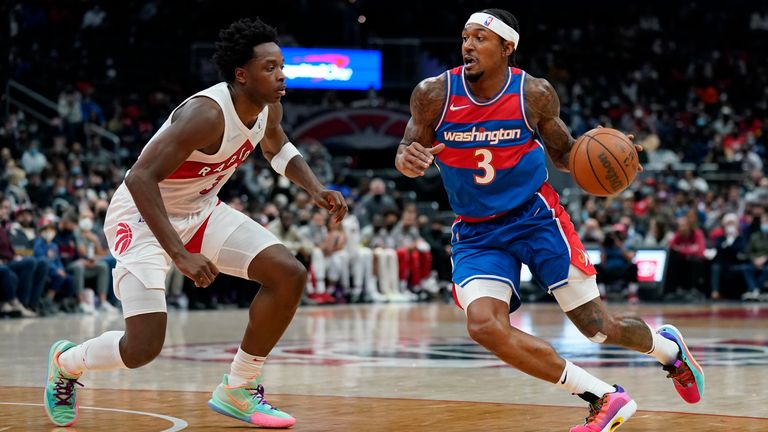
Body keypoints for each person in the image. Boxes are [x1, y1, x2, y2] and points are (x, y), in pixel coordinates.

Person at [394, 9, 704, 431]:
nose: (467, 45)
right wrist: (407, 160)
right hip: (477, 231)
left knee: (597, 328)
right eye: (465, 37)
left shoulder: (533, 93)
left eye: (480, 38)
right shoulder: (433, 93)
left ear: (507, 48)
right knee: (484, 325)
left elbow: (564, 153)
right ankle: (602, 396)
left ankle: (668, 351)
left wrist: (612, 158)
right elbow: (408, 149)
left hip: (536, 217)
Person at [44, 18, 347, 429]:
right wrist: (180, 254)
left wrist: (315, 187)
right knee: (143, 347)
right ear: (242, 75)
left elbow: (276, 145)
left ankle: (238, 388)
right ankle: (66, 363)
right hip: (142, 216)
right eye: (270, 68)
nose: (281, 75)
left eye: (281, 66)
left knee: (287, 274)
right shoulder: (205, 114)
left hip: (201, 210)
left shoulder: (269, 106)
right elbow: (139, 178)